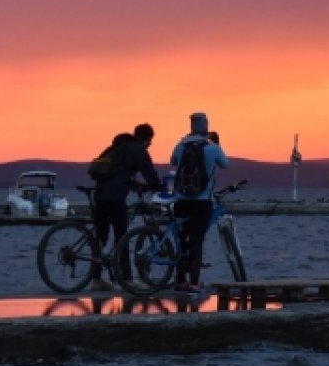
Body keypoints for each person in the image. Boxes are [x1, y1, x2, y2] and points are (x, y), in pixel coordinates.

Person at [92, 123, 161, 290]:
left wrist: (134, 184)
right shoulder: (138, 150)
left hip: (100, 195)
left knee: (101, 236)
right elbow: (149, 172)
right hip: (115, 198)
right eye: (150, 142)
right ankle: (127, 279)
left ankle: (96, 278)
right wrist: (156, 185)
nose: (149, 145)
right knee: (122, 237)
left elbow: (117, 174)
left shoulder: (116, 148)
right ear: (147, 139)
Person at [169, 112, 230, 296]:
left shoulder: (181, 145)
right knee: (196, 242)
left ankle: (180, 281)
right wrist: (217, 144)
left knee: (181, 240)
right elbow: (225, 165)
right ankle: (194, 284)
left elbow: (173, 163)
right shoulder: (212, 148)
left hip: (181, 201)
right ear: (206, 127)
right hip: (202, 202)